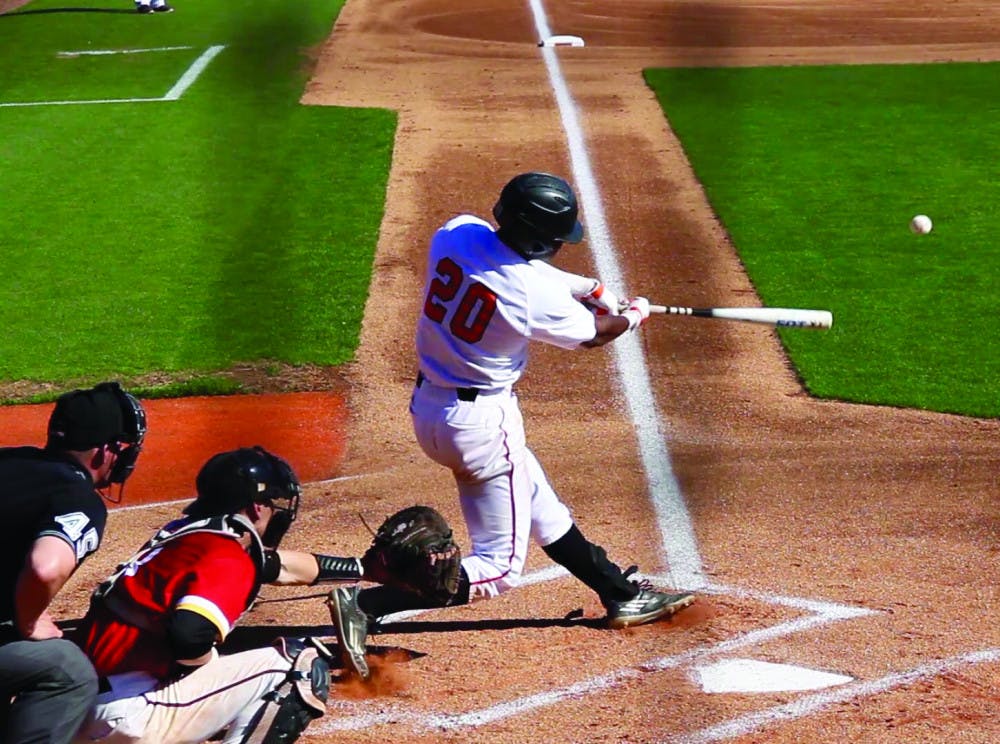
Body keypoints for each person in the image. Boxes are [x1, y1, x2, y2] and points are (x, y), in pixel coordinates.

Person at [328, 171, 695, 680]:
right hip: (482, 425)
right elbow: (593, 334)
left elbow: (515, 268)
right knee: (499, 569)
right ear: (544, 237)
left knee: (542, 507)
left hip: (431, 408)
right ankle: (366, 606)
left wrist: (590, 286)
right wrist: (633, 314)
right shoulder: (529, 295)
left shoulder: (456, 233)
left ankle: (620, 594)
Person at [71, 446, 369, 744]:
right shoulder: (228, 555)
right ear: (256, 507)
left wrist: (364, 569)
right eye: (273, 502)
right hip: (127, 716)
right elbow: (189, 635)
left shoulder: (184, 537)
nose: (279, 512)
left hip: (75, 709)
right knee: (298, 665)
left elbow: (279, 567)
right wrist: (206, 669)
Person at [0, 381, 147, 744]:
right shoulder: (77, 497)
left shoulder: (7, 459)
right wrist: (30, 620)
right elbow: (44, 568)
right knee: (68, 670)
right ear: (105, 451)